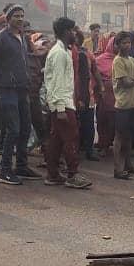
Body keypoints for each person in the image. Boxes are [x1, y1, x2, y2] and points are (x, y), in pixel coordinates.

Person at [0, 5, 38, 185]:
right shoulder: (1, 38)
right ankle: (5, 170)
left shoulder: (22, 37)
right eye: (16, 16)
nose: (20, 19)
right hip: (6, 89)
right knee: (13, 130)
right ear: (8, 18)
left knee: (25, 128)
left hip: (22, 89)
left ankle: (22, 166)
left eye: (22, 16)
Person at [42, 17, 93, 190]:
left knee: (56, 140)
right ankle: (72, 174)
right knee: (71, 138)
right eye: (72, 30)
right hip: (61, 104)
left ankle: (53, 174)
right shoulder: (59, 53)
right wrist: (61, 108)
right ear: (65, 32)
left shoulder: (64, 51)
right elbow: (56, 82)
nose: (75, 33)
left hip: (62, 102)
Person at [111, 31, 134, 179]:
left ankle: (128, 164)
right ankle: (117, 169)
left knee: (129, 135)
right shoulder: (118, 61)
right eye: (123, 43)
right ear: (117, 45)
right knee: (119, 136)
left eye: (128, 42)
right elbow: (126, 82)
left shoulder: (131, 60)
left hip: (133, 103)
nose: (127, 45)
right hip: (122, 104)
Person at [71, 25, 102, 162]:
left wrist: (100, 86)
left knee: (88, 124)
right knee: (74, 126)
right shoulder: (66, 52)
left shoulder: (86, 53)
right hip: (71, 94)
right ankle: (75, 151)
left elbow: (95, 71)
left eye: (77, 36)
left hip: (86, 94)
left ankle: (89, 150)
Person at [94, 36, 117, 155]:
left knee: (114, 121)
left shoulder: (124, 60)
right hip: (104, 94)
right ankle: (104, 145)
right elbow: (95, 76)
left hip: (119, 94)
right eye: (116, 44)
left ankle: (112, 143)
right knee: (103, 120)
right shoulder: (100, 60)